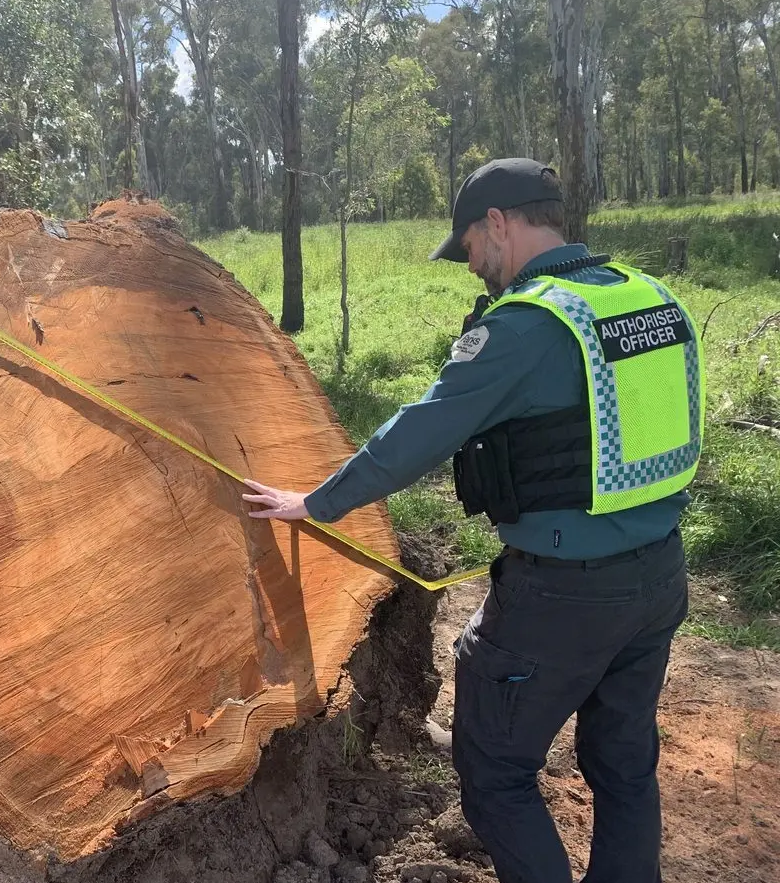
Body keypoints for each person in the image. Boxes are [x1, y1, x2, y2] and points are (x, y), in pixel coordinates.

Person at [241, 158, 703, 883]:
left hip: (563, 594)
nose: (473, 267)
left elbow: (421, 431)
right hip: (661, 575)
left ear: (498, 223)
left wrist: (317, 501)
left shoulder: (528, 324)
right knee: (624, 765)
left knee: (493, 771)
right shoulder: (652, 299)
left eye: (469, 248)